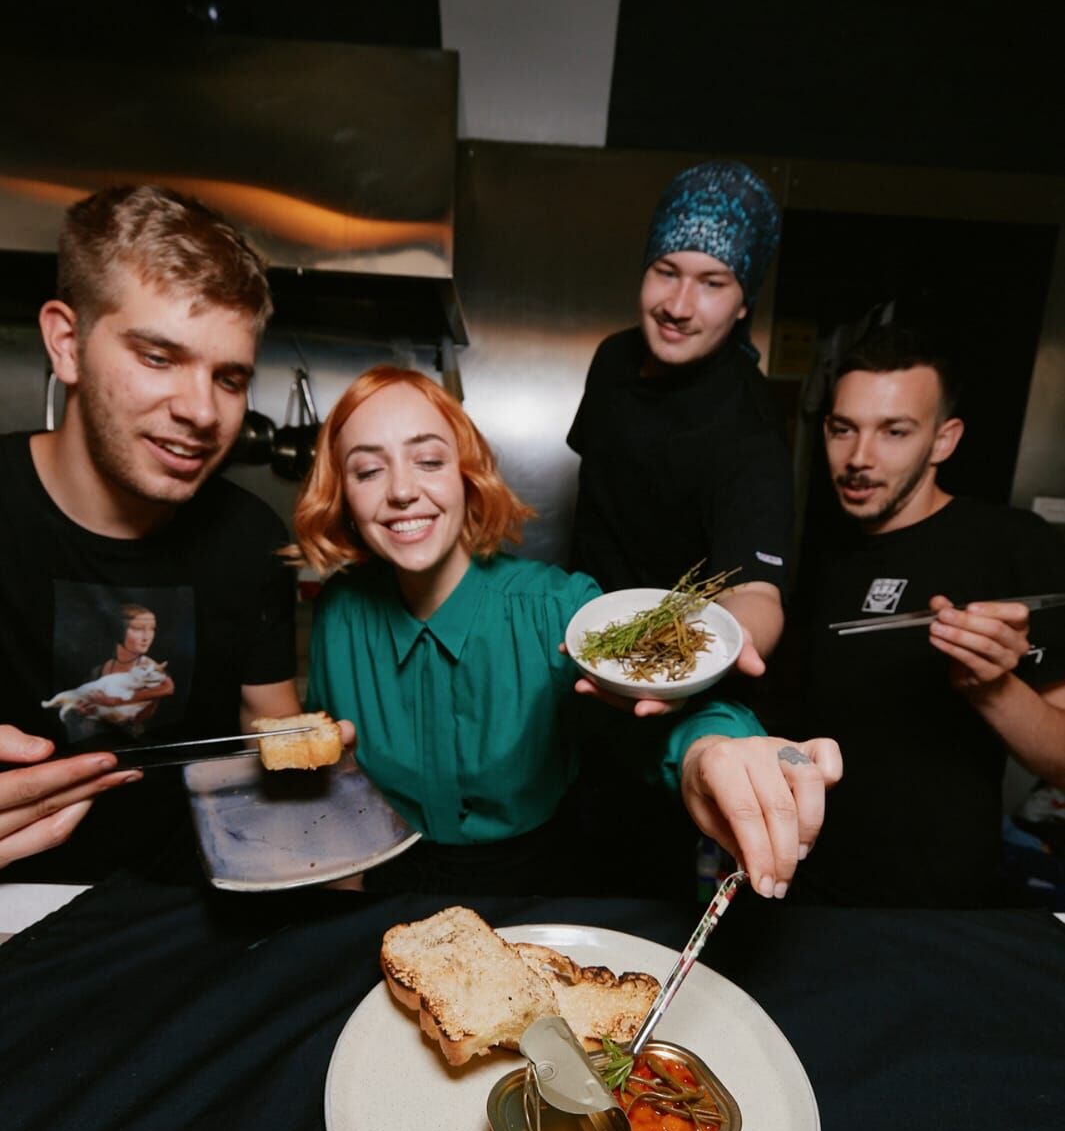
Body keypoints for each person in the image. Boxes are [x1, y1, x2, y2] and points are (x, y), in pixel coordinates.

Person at [294, 367, 841, 899]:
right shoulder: (340, 611)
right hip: (391, 886)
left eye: (429, 460)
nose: (402, 491)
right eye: (368, 471)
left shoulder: (556, 606)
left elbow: (669, 711)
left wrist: (715, 751)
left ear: (466, 473)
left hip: (535, 889)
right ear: (343, 493)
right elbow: (335, 771)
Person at [0, 185, 304, 882]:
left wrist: (317, 758)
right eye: (159, 357)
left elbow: (271, 729)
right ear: (67, 342)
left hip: (183, 914)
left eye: (229, 377)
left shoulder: (249, 536)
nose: (202, 411)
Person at [777, 324, 1065, 909]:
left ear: (943, 440)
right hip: (804, 889)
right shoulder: (820, 553)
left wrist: (993, 687)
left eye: (894, 432)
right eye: (843, 430)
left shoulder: (1012, 545)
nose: (859, 458)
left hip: (939, 904)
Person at [567, 158, 791, 677]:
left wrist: (715, 655)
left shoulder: (750, 423)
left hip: (668, 672)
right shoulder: (612, 359)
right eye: (666, 272)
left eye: (712, 283)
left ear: (743, 304)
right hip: (579, 641)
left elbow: (756, 592)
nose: (679, 305)